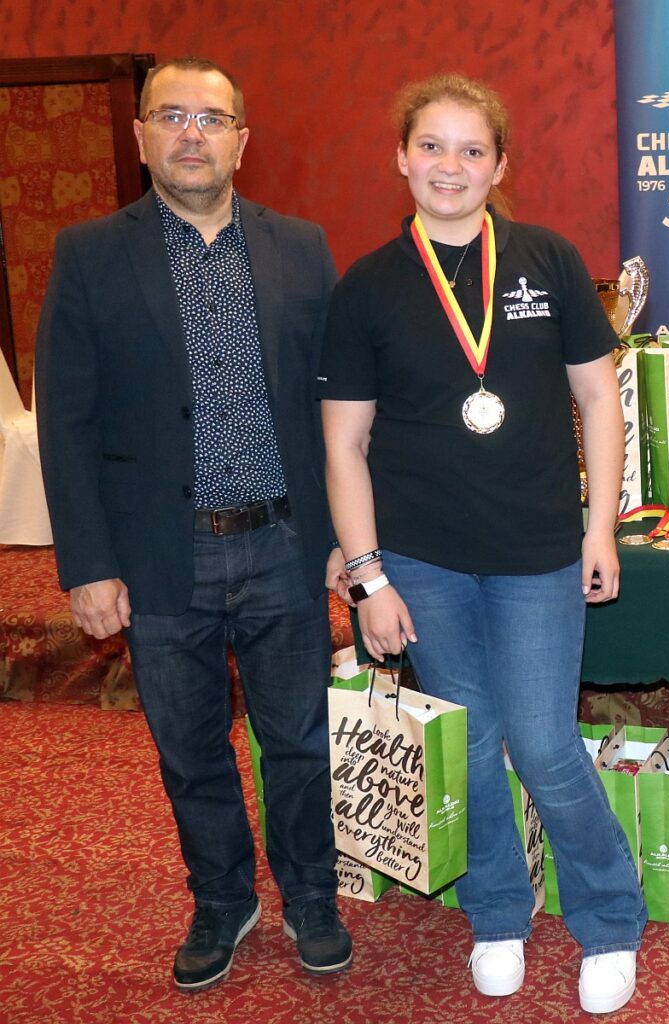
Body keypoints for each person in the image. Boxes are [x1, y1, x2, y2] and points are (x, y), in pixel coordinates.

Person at [319, 74, 644, 1014]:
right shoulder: (368, 285)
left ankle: (608, 919)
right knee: (465, 746)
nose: (450, 166)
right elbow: (343, 444)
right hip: (420, 561)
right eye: (431, 146)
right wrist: (368, 577)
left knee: (544, 744)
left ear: (500, 165)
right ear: (401, 157)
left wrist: (600, 526)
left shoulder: (547, 259)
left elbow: (598, 398)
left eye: (472, 150)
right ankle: (497, 912)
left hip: (537, 552)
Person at [35, 57, 351, 991]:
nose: (190, 134)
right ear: (140, 135)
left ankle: (311, 895)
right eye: (169, 115)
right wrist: (86, 564)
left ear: (241, 141)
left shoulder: (303, 247)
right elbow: (67, 422)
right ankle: (221, 898)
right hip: (158, 556)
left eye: (211, 119)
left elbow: (335, 407)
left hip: (284, 544)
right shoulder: (89, 254)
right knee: (190, 751)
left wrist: (346, 535)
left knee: (300, 742)